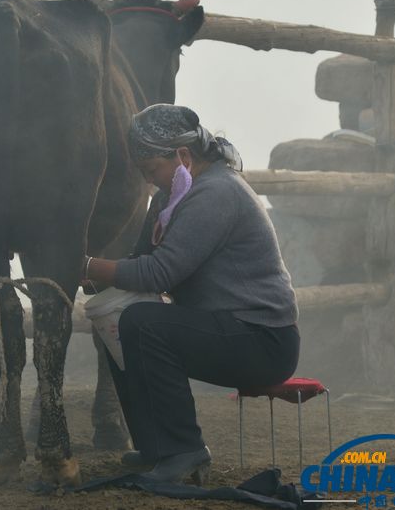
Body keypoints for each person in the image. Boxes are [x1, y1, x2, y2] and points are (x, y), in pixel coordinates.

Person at [81, 103, 300, 485]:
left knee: (143, 324)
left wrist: (82, 265)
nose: (152, 182)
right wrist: (86, 275)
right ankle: (156, 448)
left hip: (263, 339)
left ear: (182, 156)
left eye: (153, 171)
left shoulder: (215, 193)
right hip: (225, 327)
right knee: (117, 324)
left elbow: (158, 272)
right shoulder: (171, 197)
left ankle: (184, 449)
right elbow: (140, 260)